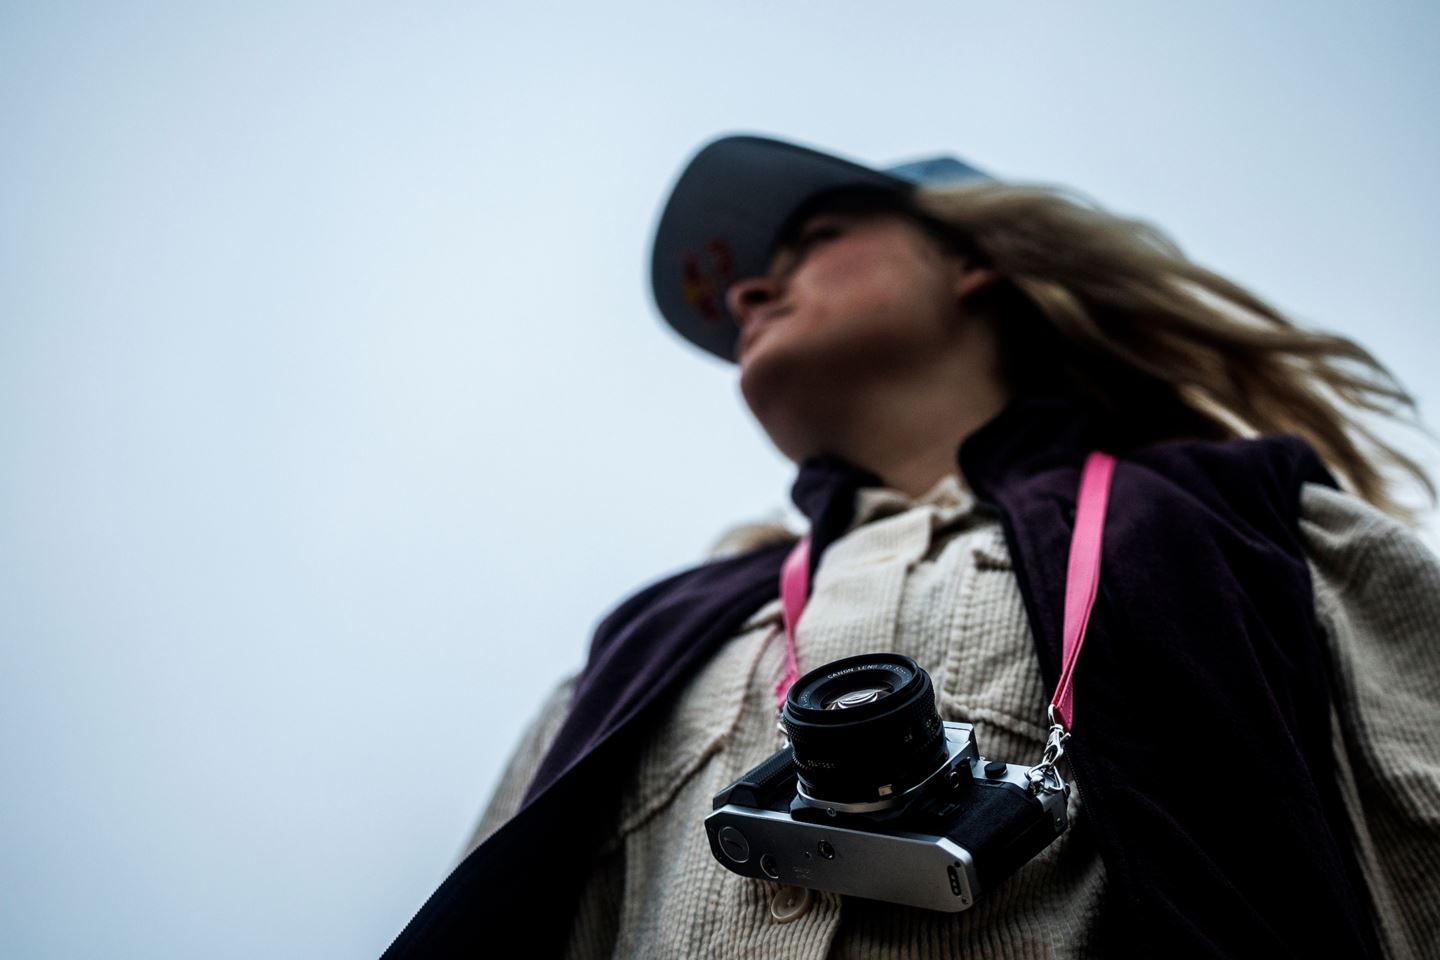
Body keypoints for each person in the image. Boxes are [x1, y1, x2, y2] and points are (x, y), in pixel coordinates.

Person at [381, 134, 1440, 959]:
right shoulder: (635, 649)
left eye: (813, 243)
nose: (750, 290)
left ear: (974, 261)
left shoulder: (1248, 523)